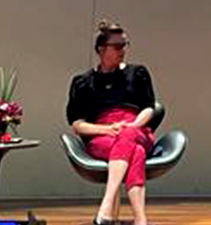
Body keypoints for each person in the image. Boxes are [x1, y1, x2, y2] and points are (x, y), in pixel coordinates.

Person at [66, 20, 157, 225]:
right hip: (103, 135)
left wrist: (133, 126)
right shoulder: (83, 82)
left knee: (128, 136)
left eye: (124, 45)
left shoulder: (137, 73)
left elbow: (149, 108)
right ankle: (141, 220)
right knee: (137, 153)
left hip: (136, 129)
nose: (122, 50)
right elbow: (77, 124)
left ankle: (105, 207)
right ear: (101, 49)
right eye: (117, 46)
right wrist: (107, 129)